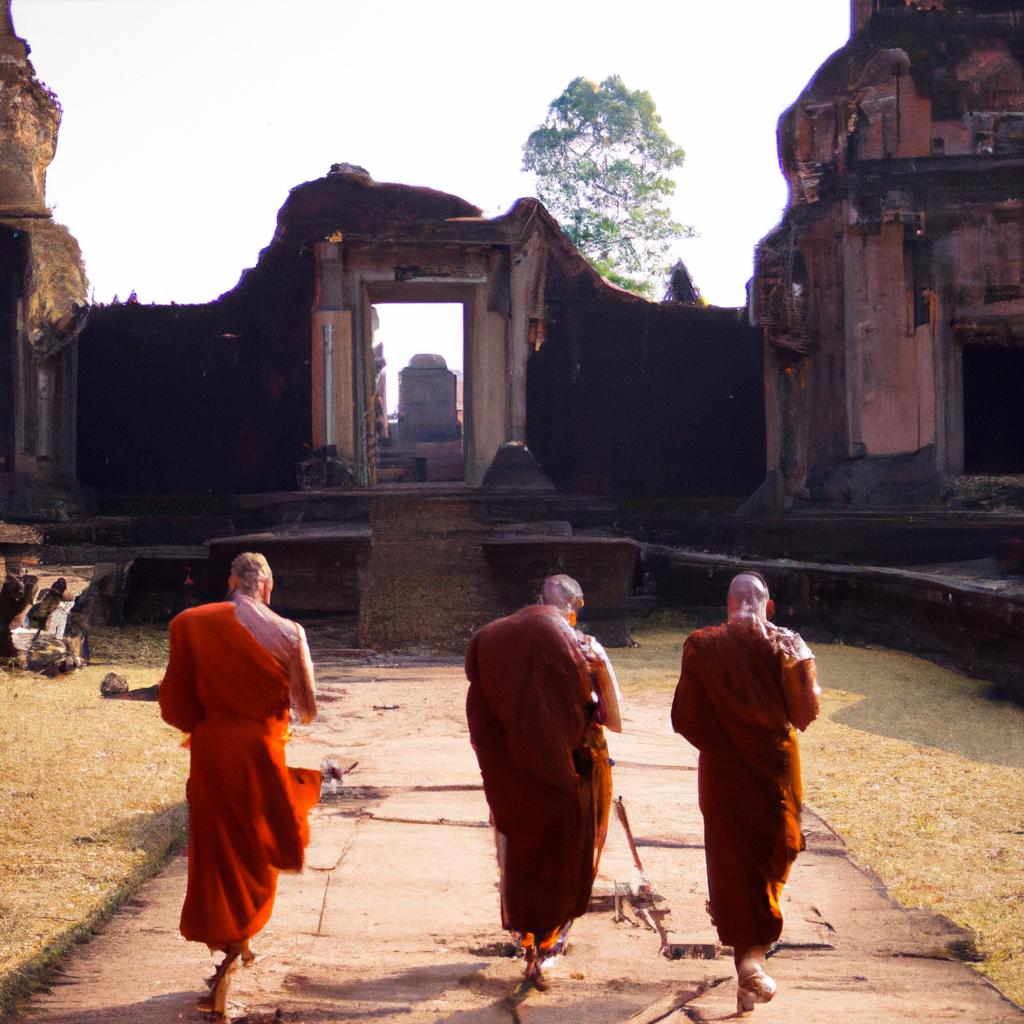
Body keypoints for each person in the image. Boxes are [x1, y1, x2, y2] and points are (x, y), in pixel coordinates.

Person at [159, 552, 319, 1016]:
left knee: (216, 848)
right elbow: (305, 708)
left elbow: (176, 704)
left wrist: (209, 718)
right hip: (263, 750)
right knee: (255, 846)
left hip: (214, 751)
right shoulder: (291, 633)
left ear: (232, 581)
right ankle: (242, 935)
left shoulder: (191, 622)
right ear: (267, 586)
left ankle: (226, 941)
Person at [671, 572, 820, 1015]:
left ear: (728, 604)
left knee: (733, 864)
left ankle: (748, 966)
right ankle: (751, 964)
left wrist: (724, 744)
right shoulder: (788, 645)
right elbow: (807, 714)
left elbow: (683, 719)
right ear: (767, 606)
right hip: (775, 774)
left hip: (721, 775)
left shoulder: (701, 645)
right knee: (774, 857)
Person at [465, 574, 618, 993]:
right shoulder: (585, 647)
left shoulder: (489, 638)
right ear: (575, 606)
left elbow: (478, 713)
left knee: (515, 849)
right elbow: (612, 717)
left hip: (511, 771)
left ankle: (526, 941)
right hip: (572, 771)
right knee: (568, 854)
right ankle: (550, 946)